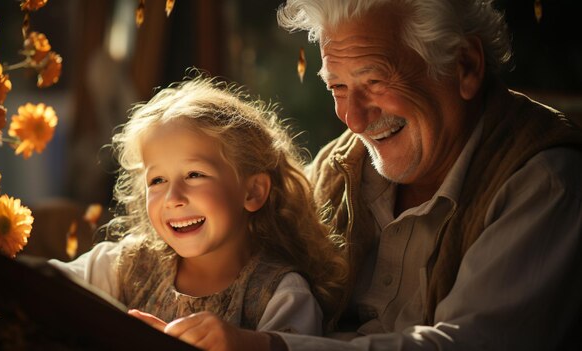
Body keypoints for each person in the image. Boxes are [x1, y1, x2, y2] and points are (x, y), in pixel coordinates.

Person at [147, 1, 582, 350]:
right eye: (337, 88)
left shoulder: (544, 182)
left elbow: (470, 343)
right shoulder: (340, 168)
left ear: (464, 65)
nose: (353, 119)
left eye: (373, 82)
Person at [49, 75, 347, 344]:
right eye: (158, 180)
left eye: (194, 175)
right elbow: (38, 287)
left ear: (253, 191)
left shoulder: (282, 295)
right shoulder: (122, 266)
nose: (173, 197)